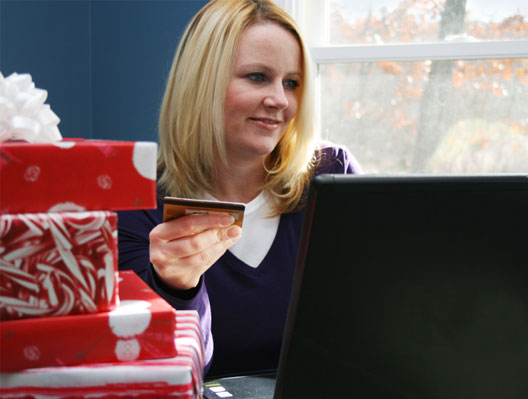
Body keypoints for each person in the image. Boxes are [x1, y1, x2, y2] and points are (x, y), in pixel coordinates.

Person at [117, 0, 362, 378]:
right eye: (257, 77)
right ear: (201, 84)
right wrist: (177, 288)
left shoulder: (332, 175)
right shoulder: (134, 202)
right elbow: (158, 371)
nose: (280, 100)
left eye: (292, 83)